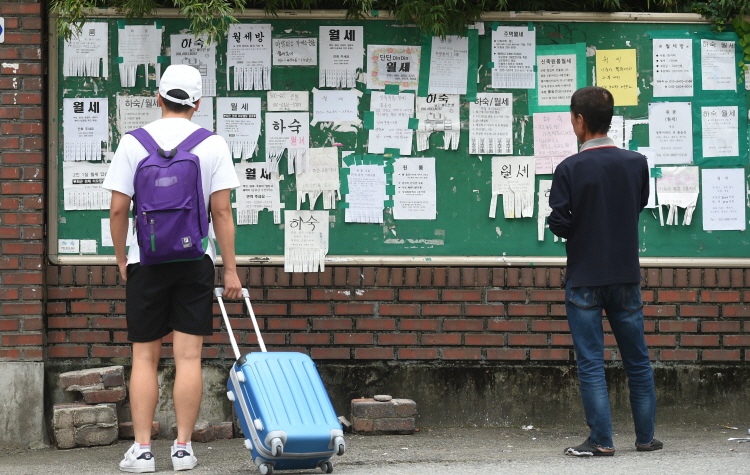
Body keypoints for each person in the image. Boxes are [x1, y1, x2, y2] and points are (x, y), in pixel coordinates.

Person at [103, 64, 242, 473]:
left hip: (145, 260)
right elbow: (221, 211)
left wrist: (121, 257)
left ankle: (143, 450)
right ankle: (183, 449)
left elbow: (117, 208)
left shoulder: (133, 142)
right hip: (194, 260)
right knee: (188, 357)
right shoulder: (212, 144)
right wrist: (230, 269)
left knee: (144, 357)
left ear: (158, 98)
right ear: (197, 103)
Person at [548, 86, 662, 457]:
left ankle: (601, 440)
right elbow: (639, 202)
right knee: (638, 360)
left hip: (584, 277)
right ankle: (645, 439)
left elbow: (560, 223)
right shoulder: (636, 162)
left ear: (580, 121)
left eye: (572, 118)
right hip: (626, 275)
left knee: (592, 363)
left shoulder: (569, 168)